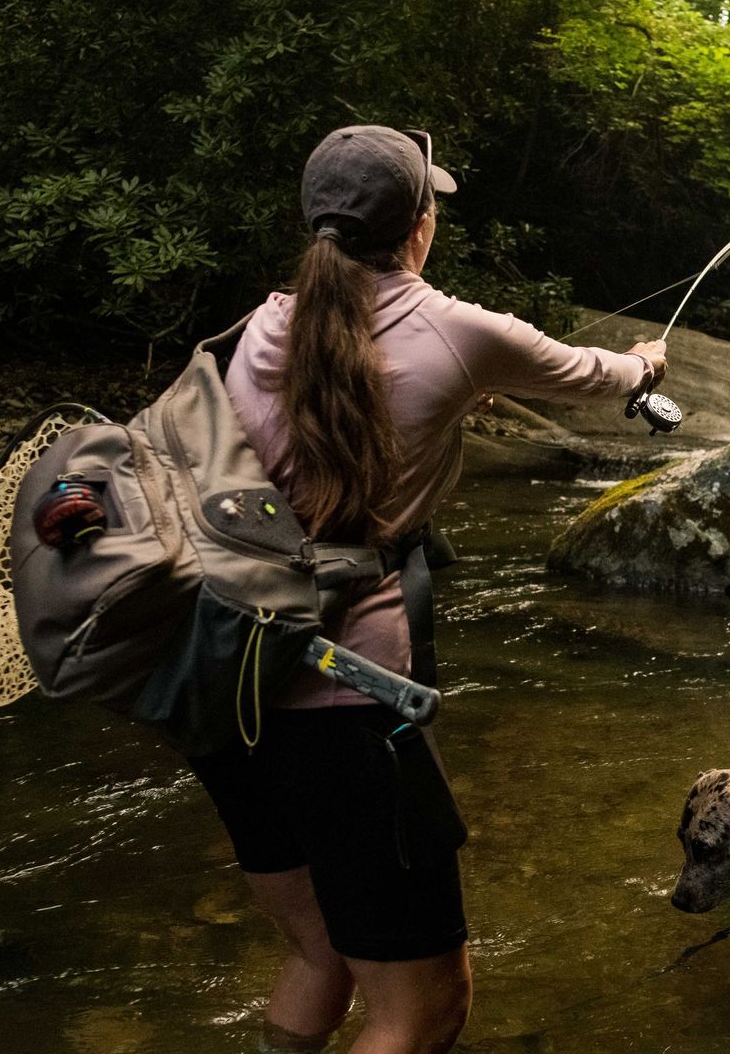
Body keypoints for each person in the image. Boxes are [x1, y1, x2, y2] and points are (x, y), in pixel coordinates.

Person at [185, 126, 668, 1054]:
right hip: (342, 703)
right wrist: (650, 364)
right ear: (419, 226)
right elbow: (601, 375)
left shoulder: (256, 327)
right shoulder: (460, 332)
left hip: (223, 691)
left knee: (322, 956)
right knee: (422, 1011)